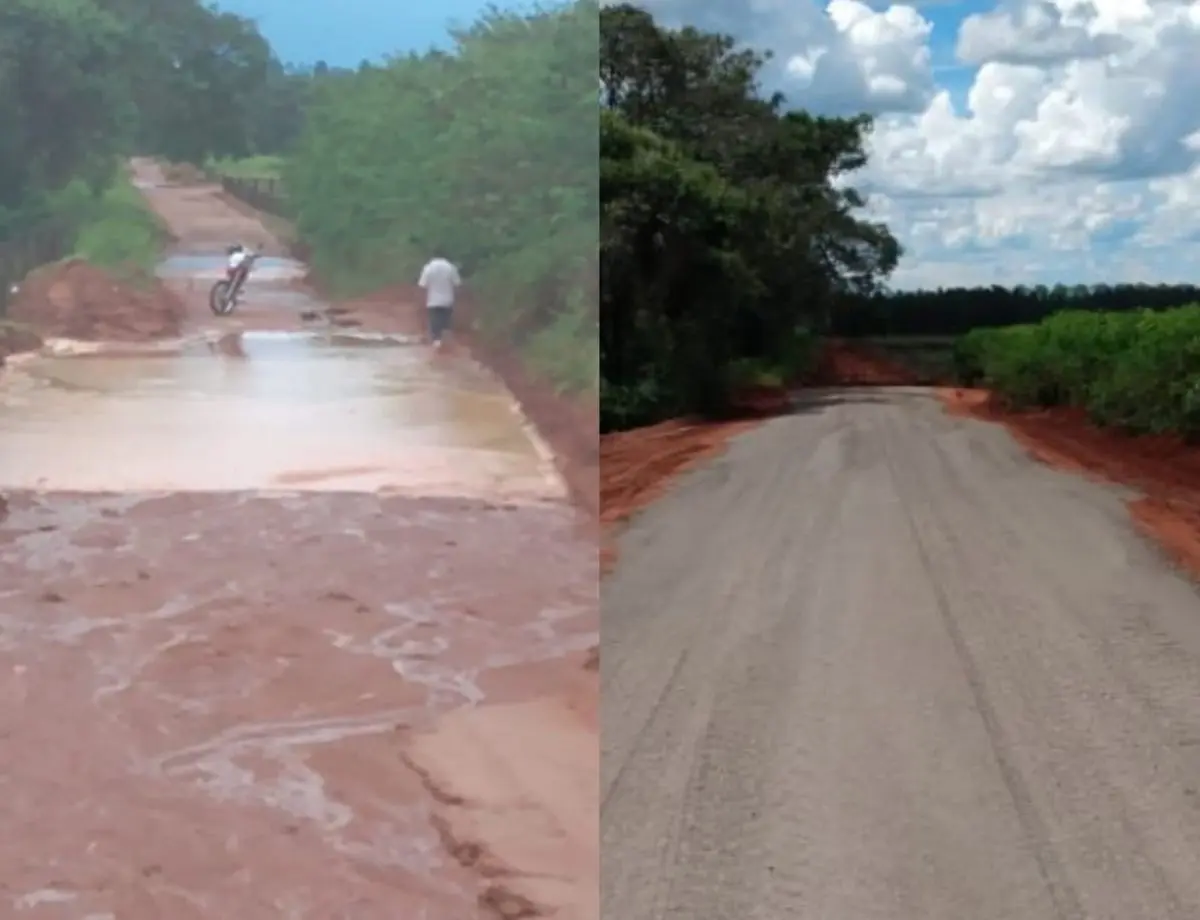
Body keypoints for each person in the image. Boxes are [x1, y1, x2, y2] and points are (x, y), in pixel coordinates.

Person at [417, 255, 462, 349]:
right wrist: (457, 300)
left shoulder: (428, 268)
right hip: (448, 300)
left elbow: (422, 286)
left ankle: (436, 342)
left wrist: (421, 301)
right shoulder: (450, 267)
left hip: (433, 301)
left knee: (435, 322)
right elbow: (457, 284)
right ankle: (447, 343)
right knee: (446, 322)